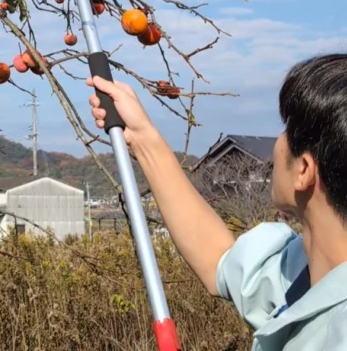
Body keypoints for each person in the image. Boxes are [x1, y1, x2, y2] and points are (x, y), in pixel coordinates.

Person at [88, 54, 347, 350]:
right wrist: (142, 137)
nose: (278, 142)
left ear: (303, 171)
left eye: (286, 129)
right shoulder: (303, 270)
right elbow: (219, 260)